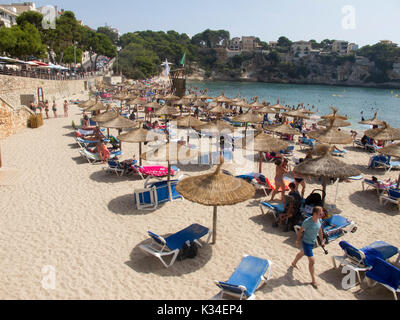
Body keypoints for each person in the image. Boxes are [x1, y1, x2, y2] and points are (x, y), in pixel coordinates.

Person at [291, 206, 326, 289]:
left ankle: (294, 263)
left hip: (312, 242)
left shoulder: (319, 220)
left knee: (302, 253)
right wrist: (298, 240)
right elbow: (300, 231)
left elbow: (320, 231)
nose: (322, 214)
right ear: (315, 213)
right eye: (320, 213)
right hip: (306, 242)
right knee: (312, 260)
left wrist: (322, 241)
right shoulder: (307, 222)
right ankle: (313, 280)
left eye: (322, 213)